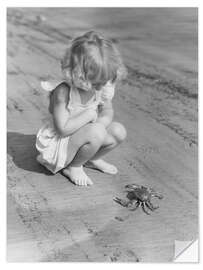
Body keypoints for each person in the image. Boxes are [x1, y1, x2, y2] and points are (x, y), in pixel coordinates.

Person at [36, 31, 127, 186]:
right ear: (78, 75)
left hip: (85, 135)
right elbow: (62, 129)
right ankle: (73, 166)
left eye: (103, 81)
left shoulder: (102, 86)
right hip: (61, 144)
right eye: (95, 83)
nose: (100, 87)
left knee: (118, 131)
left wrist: (100, 123)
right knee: (96, 132)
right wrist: (89, 115)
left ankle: (91, 159)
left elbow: (107, 111)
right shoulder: (64, 92)